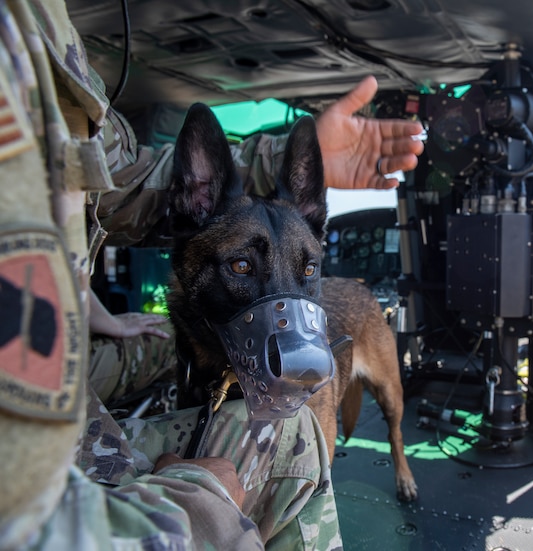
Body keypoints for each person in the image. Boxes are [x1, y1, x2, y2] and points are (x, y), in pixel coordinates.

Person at [0, 0, 423, 548]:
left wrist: (98, 314)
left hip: (49, 354)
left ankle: (398, 450)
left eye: (307, 270)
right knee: (291, 435)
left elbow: (105, 179)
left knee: (380, 407)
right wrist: (199, 492)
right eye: (242, 266)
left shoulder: (37, 16)